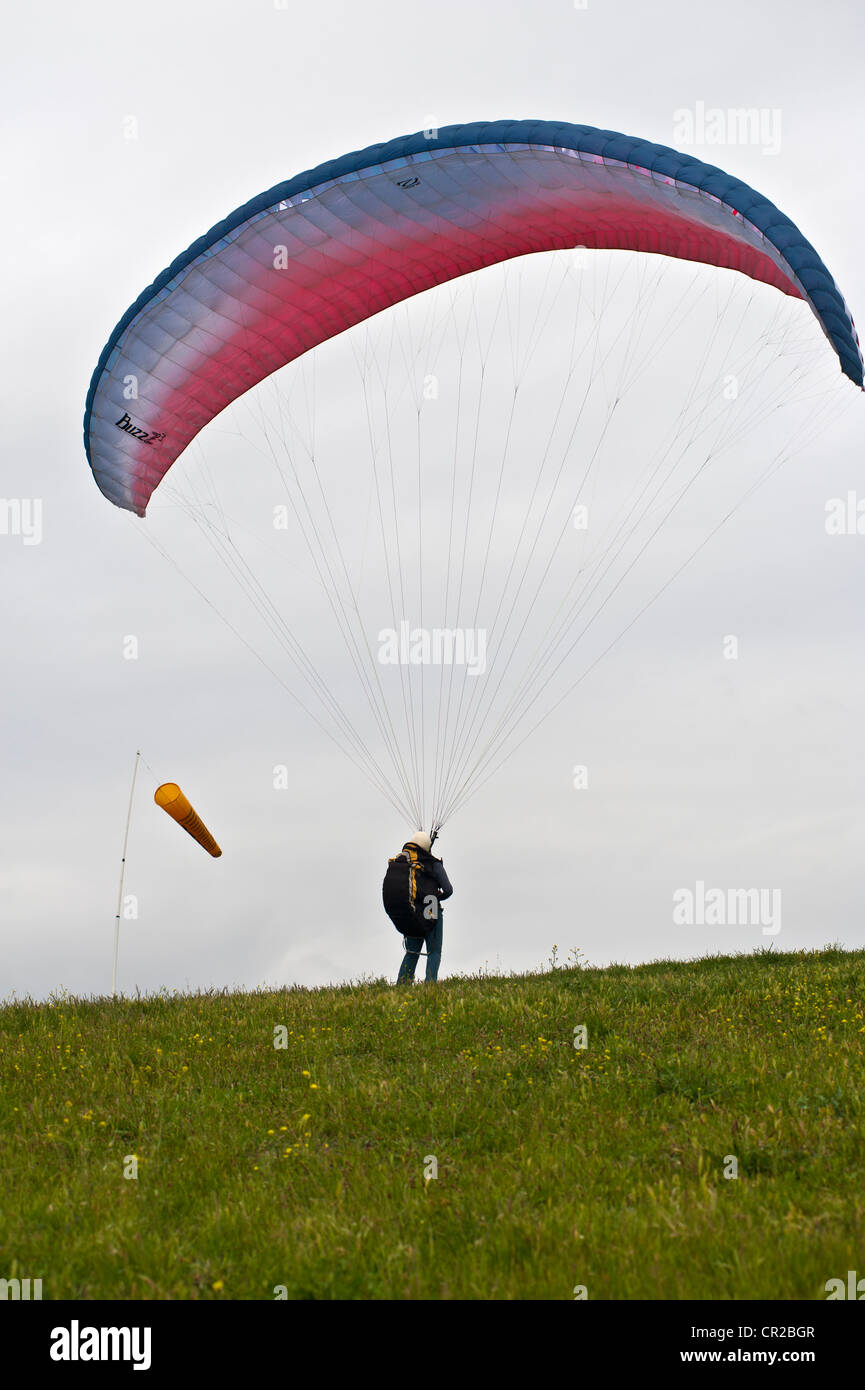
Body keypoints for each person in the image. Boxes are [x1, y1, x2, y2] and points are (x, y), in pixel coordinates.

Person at [382, 831, 452, 984]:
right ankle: (430, 984)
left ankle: (402, 985)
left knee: (412, 952)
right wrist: (435, 897)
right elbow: (448, 890)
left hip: (413, 913)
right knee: (434, 951)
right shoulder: (434, 864)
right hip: (431, 909)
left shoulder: (405, 863)